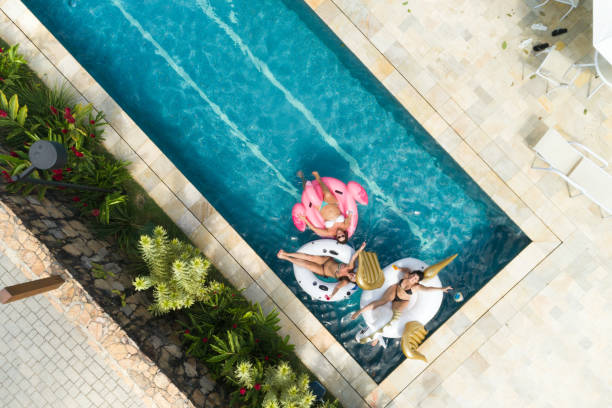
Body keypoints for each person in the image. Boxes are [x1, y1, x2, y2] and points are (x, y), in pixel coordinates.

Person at [351, 271, 452, 346]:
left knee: (393, 317)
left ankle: (377, 336)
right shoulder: (406, 275)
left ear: (417, 281)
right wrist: (398, 268)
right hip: (394, 290)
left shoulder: (416, 287)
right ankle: (359, 312)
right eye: (413, 275)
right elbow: (404, 268)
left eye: (415, 279)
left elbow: (428, 289)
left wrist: (442, 289)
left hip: (402, 301)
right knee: (382, 301)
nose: (413, 278)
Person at [278, 242, 366, 300]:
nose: (353, 276)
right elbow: (354, 256)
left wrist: (332, 295)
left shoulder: (345, 281)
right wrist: (361, 248)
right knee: (310, 257)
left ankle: (285, 257)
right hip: (326, 261)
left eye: (354, 279)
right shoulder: (350, 267)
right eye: (355, 275)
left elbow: (337, 287)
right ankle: (286, 253)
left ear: (352, 281)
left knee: (306, 264)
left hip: (322, 271)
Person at [297, 170, 352, 244]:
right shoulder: (346, 226)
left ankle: (302, 178)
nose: (340, 235)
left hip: (321, 208)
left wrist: (304, 219)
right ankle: (318, 178)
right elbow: (349, 215)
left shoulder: (330, 232)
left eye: (339, 237)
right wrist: (350, 211)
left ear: (337, 237)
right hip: (333, 204)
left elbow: (315, 229)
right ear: (344, 234)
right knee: (327, 194)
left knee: (308, 194)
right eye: (342, 236)